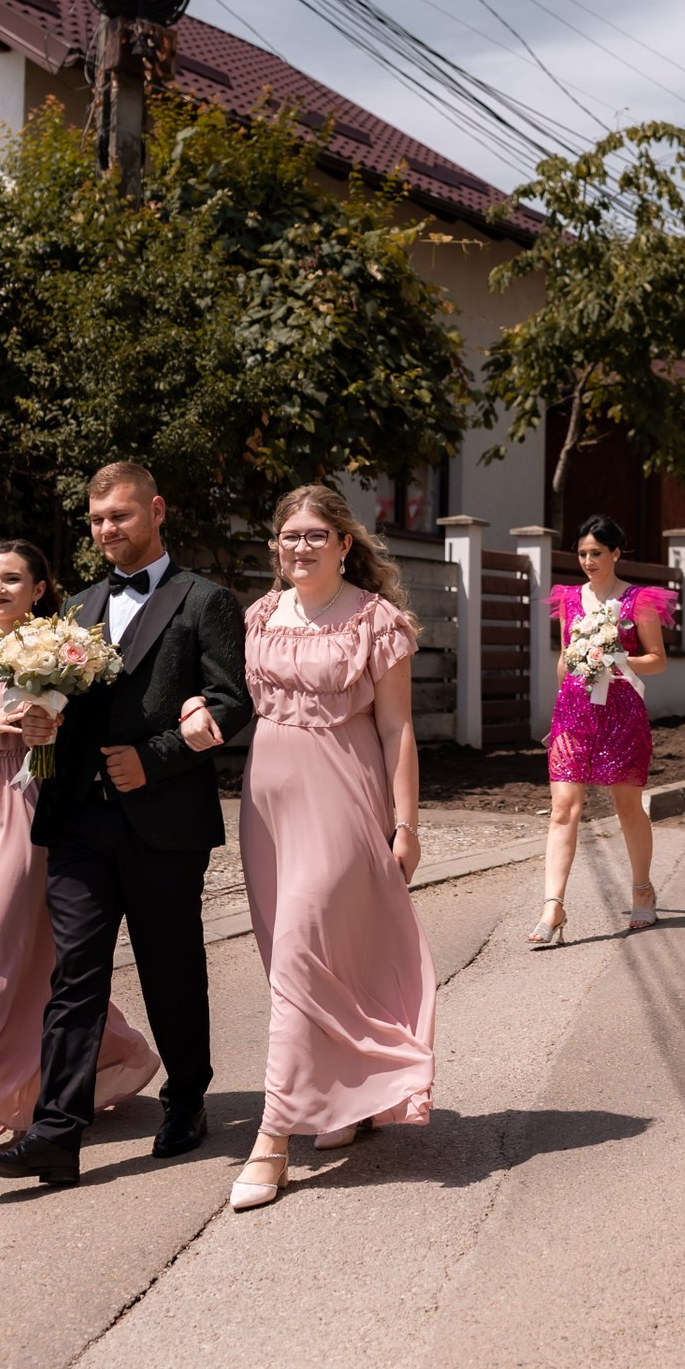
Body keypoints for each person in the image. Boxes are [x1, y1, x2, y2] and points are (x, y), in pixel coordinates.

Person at [0, 464, 252, 1187]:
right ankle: (56, 1134)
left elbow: (231, 704)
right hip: (79, 819)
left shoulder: (205, 600)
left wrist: (153, 760)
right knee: (75, 976)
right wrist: (42, 723)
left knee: (170, 967)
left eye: (119, 515)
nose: (106, 530)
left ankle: (185, 1099)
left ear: (157, 509)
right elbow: (67, 705)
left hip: (165, 821)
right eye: (96, 519)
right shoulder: (79, 606)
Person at [209, 486, 435, 1213]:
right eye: (289, 535)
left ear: (343, 544)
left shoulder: (375, 621)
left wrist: (407, 825)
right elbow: (230, 700)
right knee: (300, 963)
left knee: (303, 951)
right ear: (276, 546)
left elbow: (397, 728)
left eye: (315, 535)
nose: (300, 546)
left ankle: (272, 1139)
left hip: (342, 798)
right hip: (267, 809)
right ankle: (343, 1098)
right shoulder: (258, 616)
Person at [0, 540, 160, 1165]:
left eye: (12, 579)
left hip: (28, 802)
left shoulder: (64, 647)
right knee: (30, 953)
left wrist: (41, 726)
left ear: (39, 588)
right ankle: (114, 1053)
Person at [534, 515, 673, 944]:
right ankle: (553, 906)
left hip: (621, 713)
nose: (588, 561)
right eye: (582, 554)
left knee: (627, 806)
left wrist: (616, 659)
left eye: (596, 553)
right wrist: (563, 697)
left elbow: (657, 660)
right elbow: (565, 658)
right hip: (573, 712)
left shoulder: (639, 600)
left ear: (616, 552)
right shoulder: (569, 598)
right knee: (563, 807)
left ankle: (642, 890)